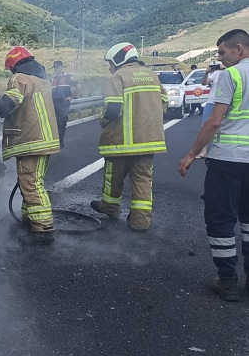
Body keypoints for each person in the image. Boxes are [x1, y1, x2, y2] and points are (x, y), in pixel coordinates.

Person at [179, 29, 249, 302]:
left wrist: (191, 154)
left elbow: (215, 121)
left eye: (222, 52)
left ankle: (227, 281)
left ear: (239, 49)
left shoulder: (230, 76)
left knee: (221, 220)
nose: (220, 58)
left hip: (228, 160)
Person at [0, 46, 60, 245]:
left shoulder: (20, 79)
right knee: (31, 182)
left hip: (31, 140)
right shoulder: (43, 81)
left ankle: (43, 229)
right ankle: (29, 220)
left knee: (31, 184)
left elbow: (5, 106)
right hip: (45, 140)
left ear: (14, 66)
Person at [90, 42, 168, 231]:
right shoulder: (152, 76)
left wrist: (102, 120)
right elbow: (164, 103)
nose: (109, 67)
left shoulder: (118, 77)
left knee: (113, 177)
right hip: (149, 140)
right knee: (143, 179)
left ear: (118, 59)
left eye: (110, 62)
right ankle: (141, 221)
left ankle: (110, 207)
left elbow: (112, 110)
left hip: (121, 142)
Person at [195, 62, 223, 158]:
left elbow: (204, 83)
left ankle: (209, 151)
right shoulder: (220, 73)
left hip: (217, 102)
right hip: (216, 102)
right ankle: (207, 151)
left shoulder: (223, 73)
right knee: (210, 127)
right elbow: (205, 83)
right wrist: (207, 73)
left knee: (212, 127)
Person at [51, 60, 81, 148]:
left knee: (61, 123)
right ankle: (56, 141)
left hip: (63, 104)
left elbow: (78, 86)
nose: (56, 70)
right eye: (54, 68)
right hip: (54, 104)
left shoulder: (67, 77)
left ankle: (60, 142)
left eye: (57, 68)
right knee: (55, 123)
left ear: (61, 68)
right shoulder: (54, 79)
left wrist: (72, 97)